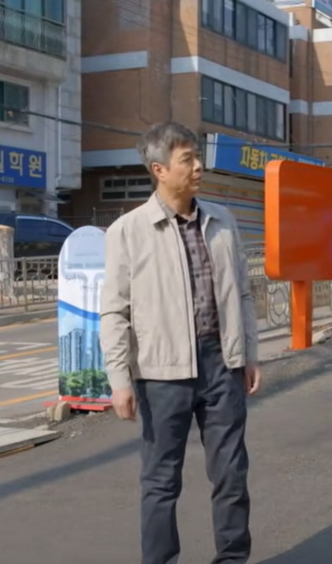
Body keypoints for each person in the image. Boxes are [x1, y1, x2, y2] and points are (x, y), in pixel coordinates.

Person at [99, 121, 261, 564]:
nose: (198, 166)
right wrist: (119, 380)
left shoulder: (222, 222)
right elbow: (114, 311)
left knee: (231, 473)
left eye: (197, 157)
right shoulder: (128, 231)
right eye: (187, 159)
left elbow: (243, 294)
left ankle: (233, 558)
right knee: (161, 481)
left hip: (221, 363)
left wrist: (248, 354)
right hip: (161, 372)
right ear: (159, 169)